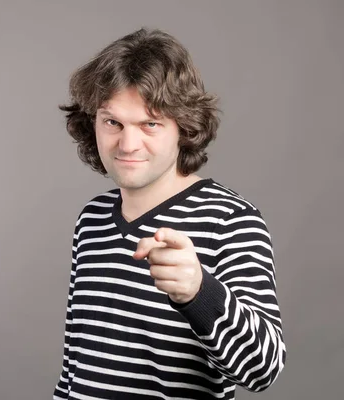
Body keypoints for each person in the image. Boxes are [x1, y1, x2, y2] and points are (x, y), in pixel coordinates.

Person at [53, 27, 286, 400]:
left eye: (150, 124)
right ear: (91, 123)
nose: (128, 144)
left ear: (184, 127)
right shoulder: (92, 220)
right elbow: (74, 365)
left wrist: (198, 292)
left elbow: (264, 369)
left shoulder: (229, 219)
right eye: (113, 122)